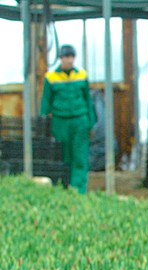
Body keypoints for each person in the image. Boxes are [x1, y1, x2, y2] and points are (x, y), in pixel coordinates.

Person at [40, 44, 96, 194]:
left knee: (80, 155)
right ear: (60, 58)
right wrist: (43, 121)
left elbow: (88, 100)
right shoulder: (51, 77)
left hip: (80, 120)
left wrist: (91, 122)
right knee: (62, 155)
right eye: (66, 57)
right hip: (60, 121)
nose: (69, 60)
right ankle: (63, 188)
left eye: (72, 57)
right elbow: (46, 102)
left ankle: (79, 189)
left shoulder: (82, 75)